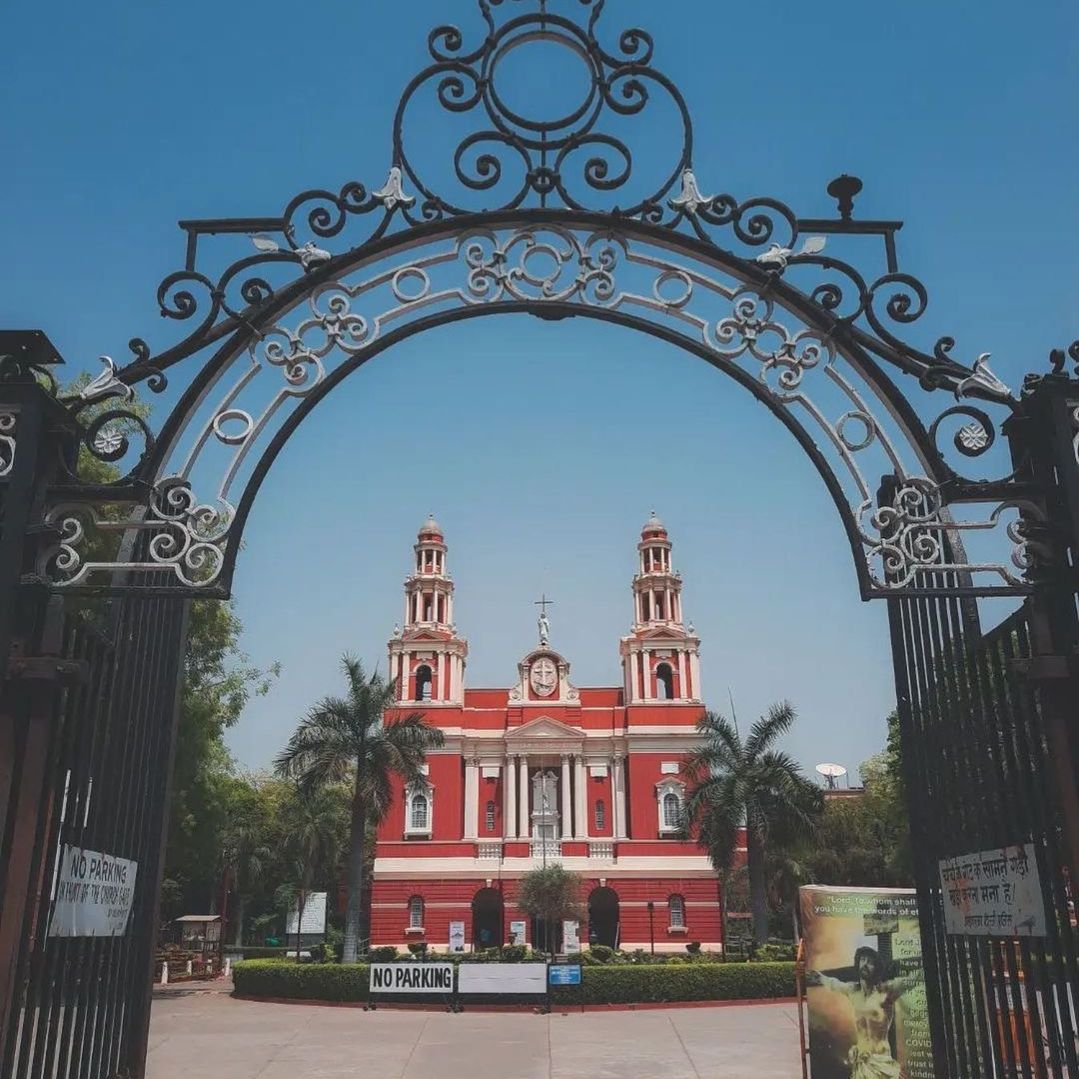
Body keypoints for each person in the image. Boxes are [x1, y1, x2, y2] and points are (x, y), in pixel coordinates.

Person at [807, 946, 920, 1079]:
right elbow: (833, 983)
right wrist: (818, 977)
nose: (865, 964)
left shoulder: (886, 991)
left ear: (876, 968)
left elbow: (913, 979)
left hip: (881, 1063)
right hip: (861, 1063)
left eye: (870, 962)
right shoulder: (853, 990)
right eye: (863, 960)